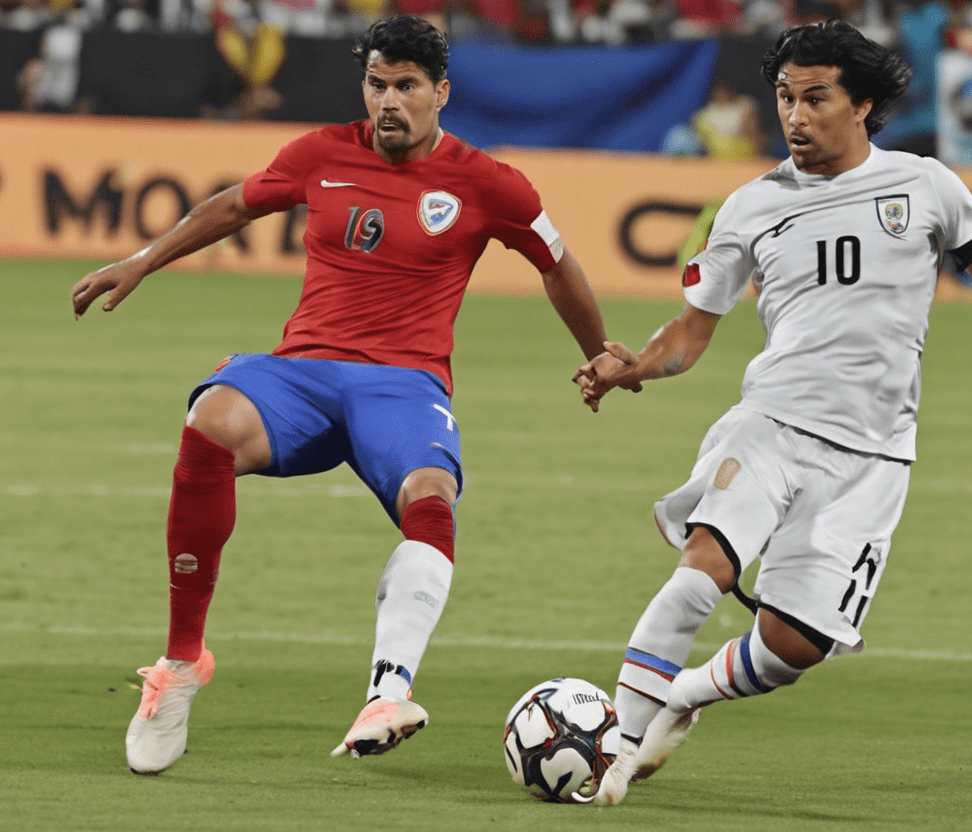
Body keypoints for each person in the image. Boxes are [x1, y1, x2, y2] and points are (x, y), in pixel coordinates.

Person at [70, 15, 620, 775]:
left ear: (441, 93)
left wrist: (597, 355)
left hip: (403, 384)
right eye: (376, 84)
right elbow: (234, 205)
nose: (388, 101)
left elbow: (556, 264)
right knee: (209, 422)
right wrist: (142, 259)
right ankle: (182, 664)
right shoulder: (321, 153)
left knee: (432, 496)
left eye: (406, 86)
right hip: (304, 373)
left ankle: (387, 694)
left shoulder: (489, 184)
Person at [572, 20, 972, 806]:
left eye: (815, 98)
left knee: (793, 644)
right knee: (703, 568)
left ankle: (682, 696)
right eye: (785, 97)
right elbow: (692, 328)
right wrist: (637, 364)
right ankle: (610, 752)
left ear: (864, 104)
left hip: (872, 458)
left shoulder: (925, 185)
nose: (795, 116)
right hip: (772, 423)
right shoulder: (750, 206)